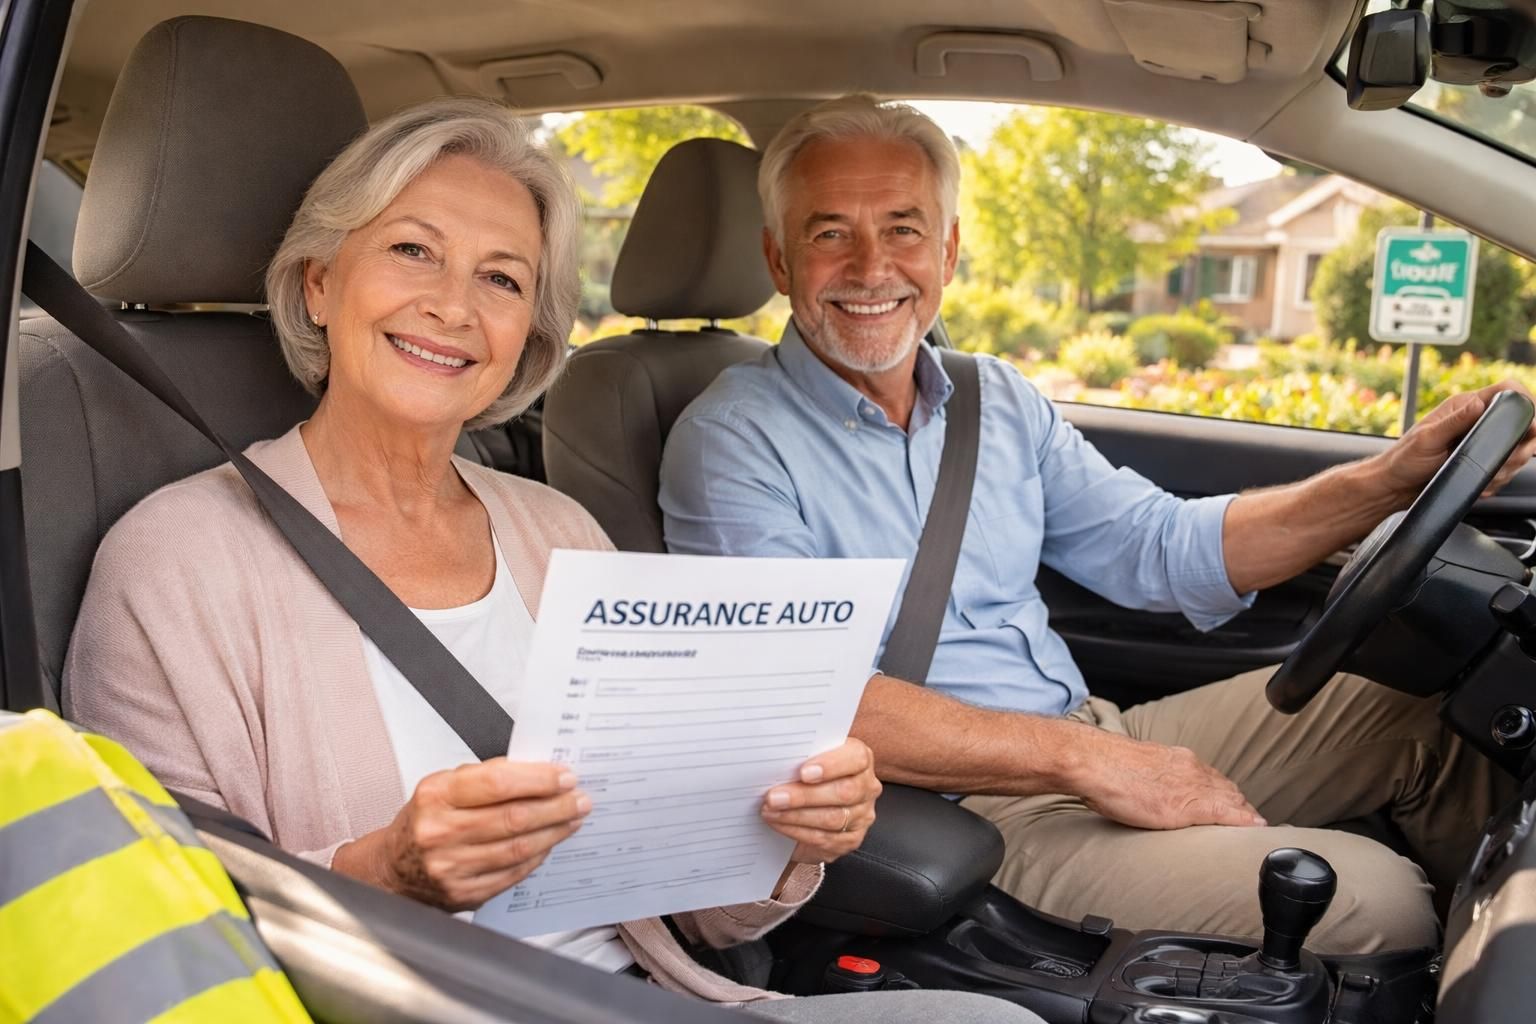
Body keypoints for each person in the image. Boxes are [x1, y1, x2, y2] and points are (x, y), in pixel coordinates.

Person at [63, 97, 1037, 1024]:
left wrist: (786, 839)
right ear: (320, 280)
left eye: (501, 277)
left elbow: (699, 921)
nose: (453, 306)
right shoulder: (174, 562)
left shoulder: (558, 530)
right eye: (413, 251)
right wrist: (390, 870)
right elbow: (159, 940)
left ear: (530, 329)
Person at [659, 93, 1536, 956]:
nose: (870, 265)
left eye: (903, 227)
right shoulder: (732, 440)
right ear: (778, 260)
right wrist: (1083, 763)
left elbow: (1159, 548)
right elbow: (801, 697)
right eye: (828, 233)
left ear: (950, 249)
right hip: (962, 810)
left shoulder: (991, 399)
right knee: (1373, 897)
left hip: (1088, 728)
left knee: (1425, 703)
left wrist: (1394, 478)